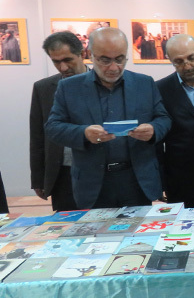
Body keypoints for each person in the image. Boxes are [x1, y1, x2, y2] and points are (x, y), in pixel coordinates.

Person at [45, 27, 171, 209]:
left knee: (138, 228)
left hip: (137, 180)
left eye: (119, 59)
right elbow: (53, 127)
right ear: (90, 55)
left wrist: (153, 130)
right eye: (105, 60)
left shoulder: (144, 83)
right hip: (93, 182)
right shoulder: (69, 87)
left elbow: (163, 118)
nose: (113, 67)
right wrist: (83, 133)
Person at [156, 35, 194, 208]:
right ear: (169, 60)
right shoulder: (160, 89)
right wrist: (160, 181)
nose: (188, 66)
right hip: (179, 177)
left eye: (192, 58)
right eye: (179, 61)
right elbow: (158, 142)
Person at [30, 31, 88, 211]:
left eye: (68, 60)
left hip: (97, 168)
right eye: (56, 62)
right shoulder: (43, 88)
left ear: (82, 54)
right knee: (67, 223)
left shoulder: (102, 83)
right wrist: (38, 178)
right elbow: (37, 136)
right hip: (62, 172)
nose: (63, 67)